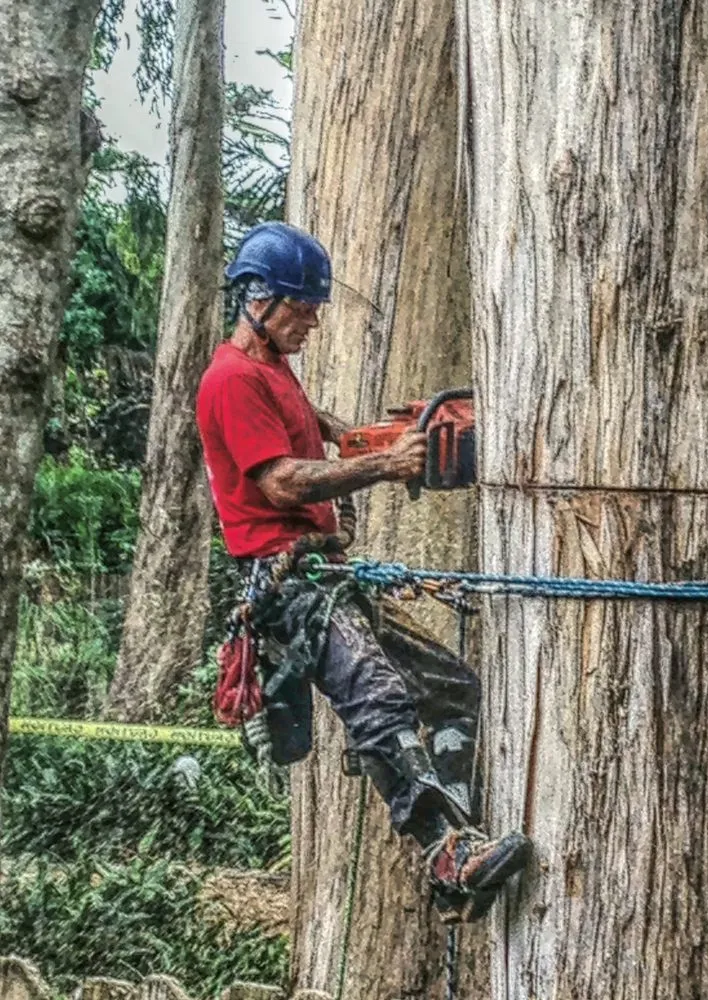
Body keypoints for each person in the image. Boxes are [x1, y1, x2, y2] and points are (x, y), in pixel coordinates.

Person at [196, 221, 531, 923]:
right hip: (287, 586)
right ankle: (444, 850)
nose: (312, 320)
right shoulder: (230, 380)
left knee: (449, 687)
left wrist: (382, 436)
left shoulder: (272, 371)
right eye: (300, 307)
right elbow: (282, 483)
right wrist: (384, 464)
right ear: (256, 298)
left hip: (328, 576)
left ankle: (459, 845)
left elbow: (317, 428)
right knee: (377, 695)